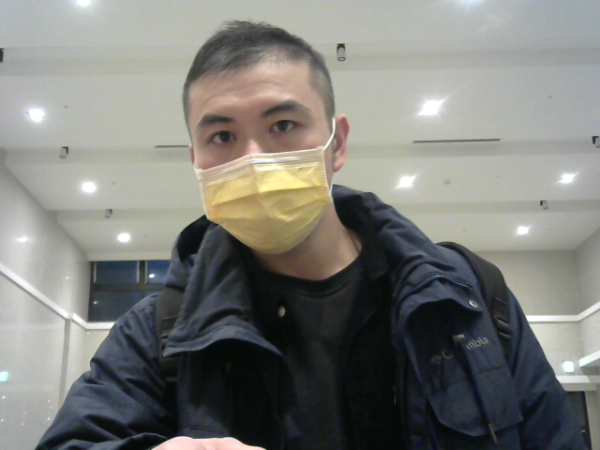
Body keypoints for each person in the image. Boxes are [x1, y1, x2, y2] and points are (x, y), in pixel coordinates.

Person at [37, 21, 586, 450]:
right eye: (222, 135)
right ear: (196, 160)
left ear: (336, 144)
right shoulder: (159, 331)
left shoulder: (467, 298)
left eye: (282, 126)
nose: (253, 159)